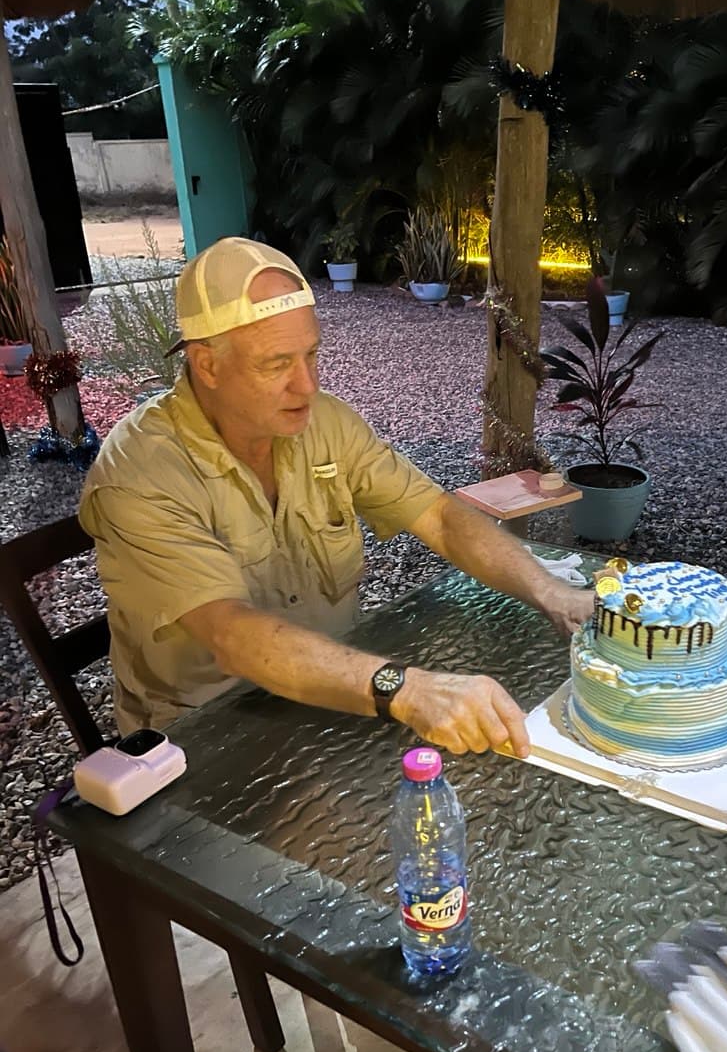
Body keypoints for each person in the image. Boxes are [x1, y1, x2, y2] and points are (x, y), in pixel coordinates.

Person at [79, 237, 593, 756]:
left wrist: (552, 593)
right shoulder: (140, 473)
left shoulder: (323, 423)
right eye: (276, 364)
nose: (306, 386)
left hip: (337, 694)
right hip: (207, 739)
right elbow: (231, 634)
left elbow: (436, 514)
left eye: (311, 354)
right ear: (207, 365)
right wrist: (407, 688)